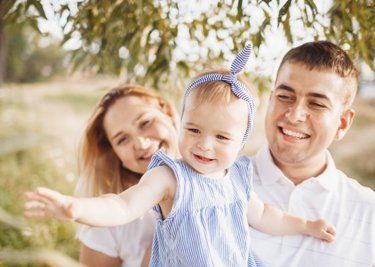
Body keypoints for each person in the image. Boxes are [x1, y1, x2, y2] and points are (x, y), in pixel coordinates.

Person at [24, 45, 336, 266]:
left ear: (241, 141)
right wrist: (75, 208)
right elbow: (122, 205)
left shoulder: (238, 176)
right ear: (181, 121)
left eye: (221, 137)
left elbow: (267, 215)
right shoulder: (169, 177)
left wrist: (306, 225)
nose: (204, 145)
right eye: (195, 130)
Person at [250, 41, 375, 266]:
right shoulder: (216, 183)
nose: (295, 114)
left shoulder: (369, 214)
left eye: (316, 104)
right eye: (285, 97)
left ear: (343, 123)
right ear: (270, 100)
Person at [75, 84, 180, 266]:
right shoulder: (109, 220)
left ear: (169, 113)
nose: (141, 144)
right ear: (115, 153)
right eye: (122, 139)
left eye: (145, 122)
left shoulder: (230, 177)